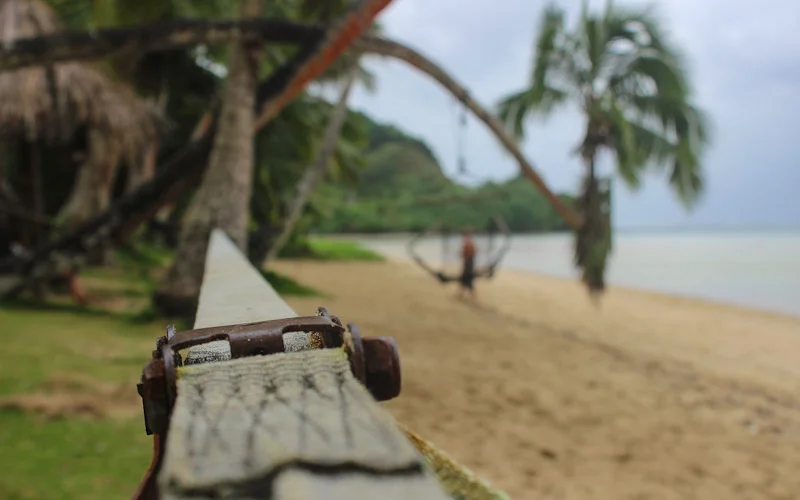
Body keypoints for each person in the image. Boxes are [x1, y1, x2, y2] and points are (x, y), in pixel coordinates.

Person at [457, 227, 478, 302]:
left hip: (468, 262)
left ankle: (470, 296)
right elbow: (472, 251)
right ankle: (461, 295)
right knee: (465, 279)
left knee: (467, 278)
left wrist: (464, 255)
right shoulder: (468, 241)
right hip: (469, 261)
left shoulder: (468, 241)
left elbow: (470, 251)